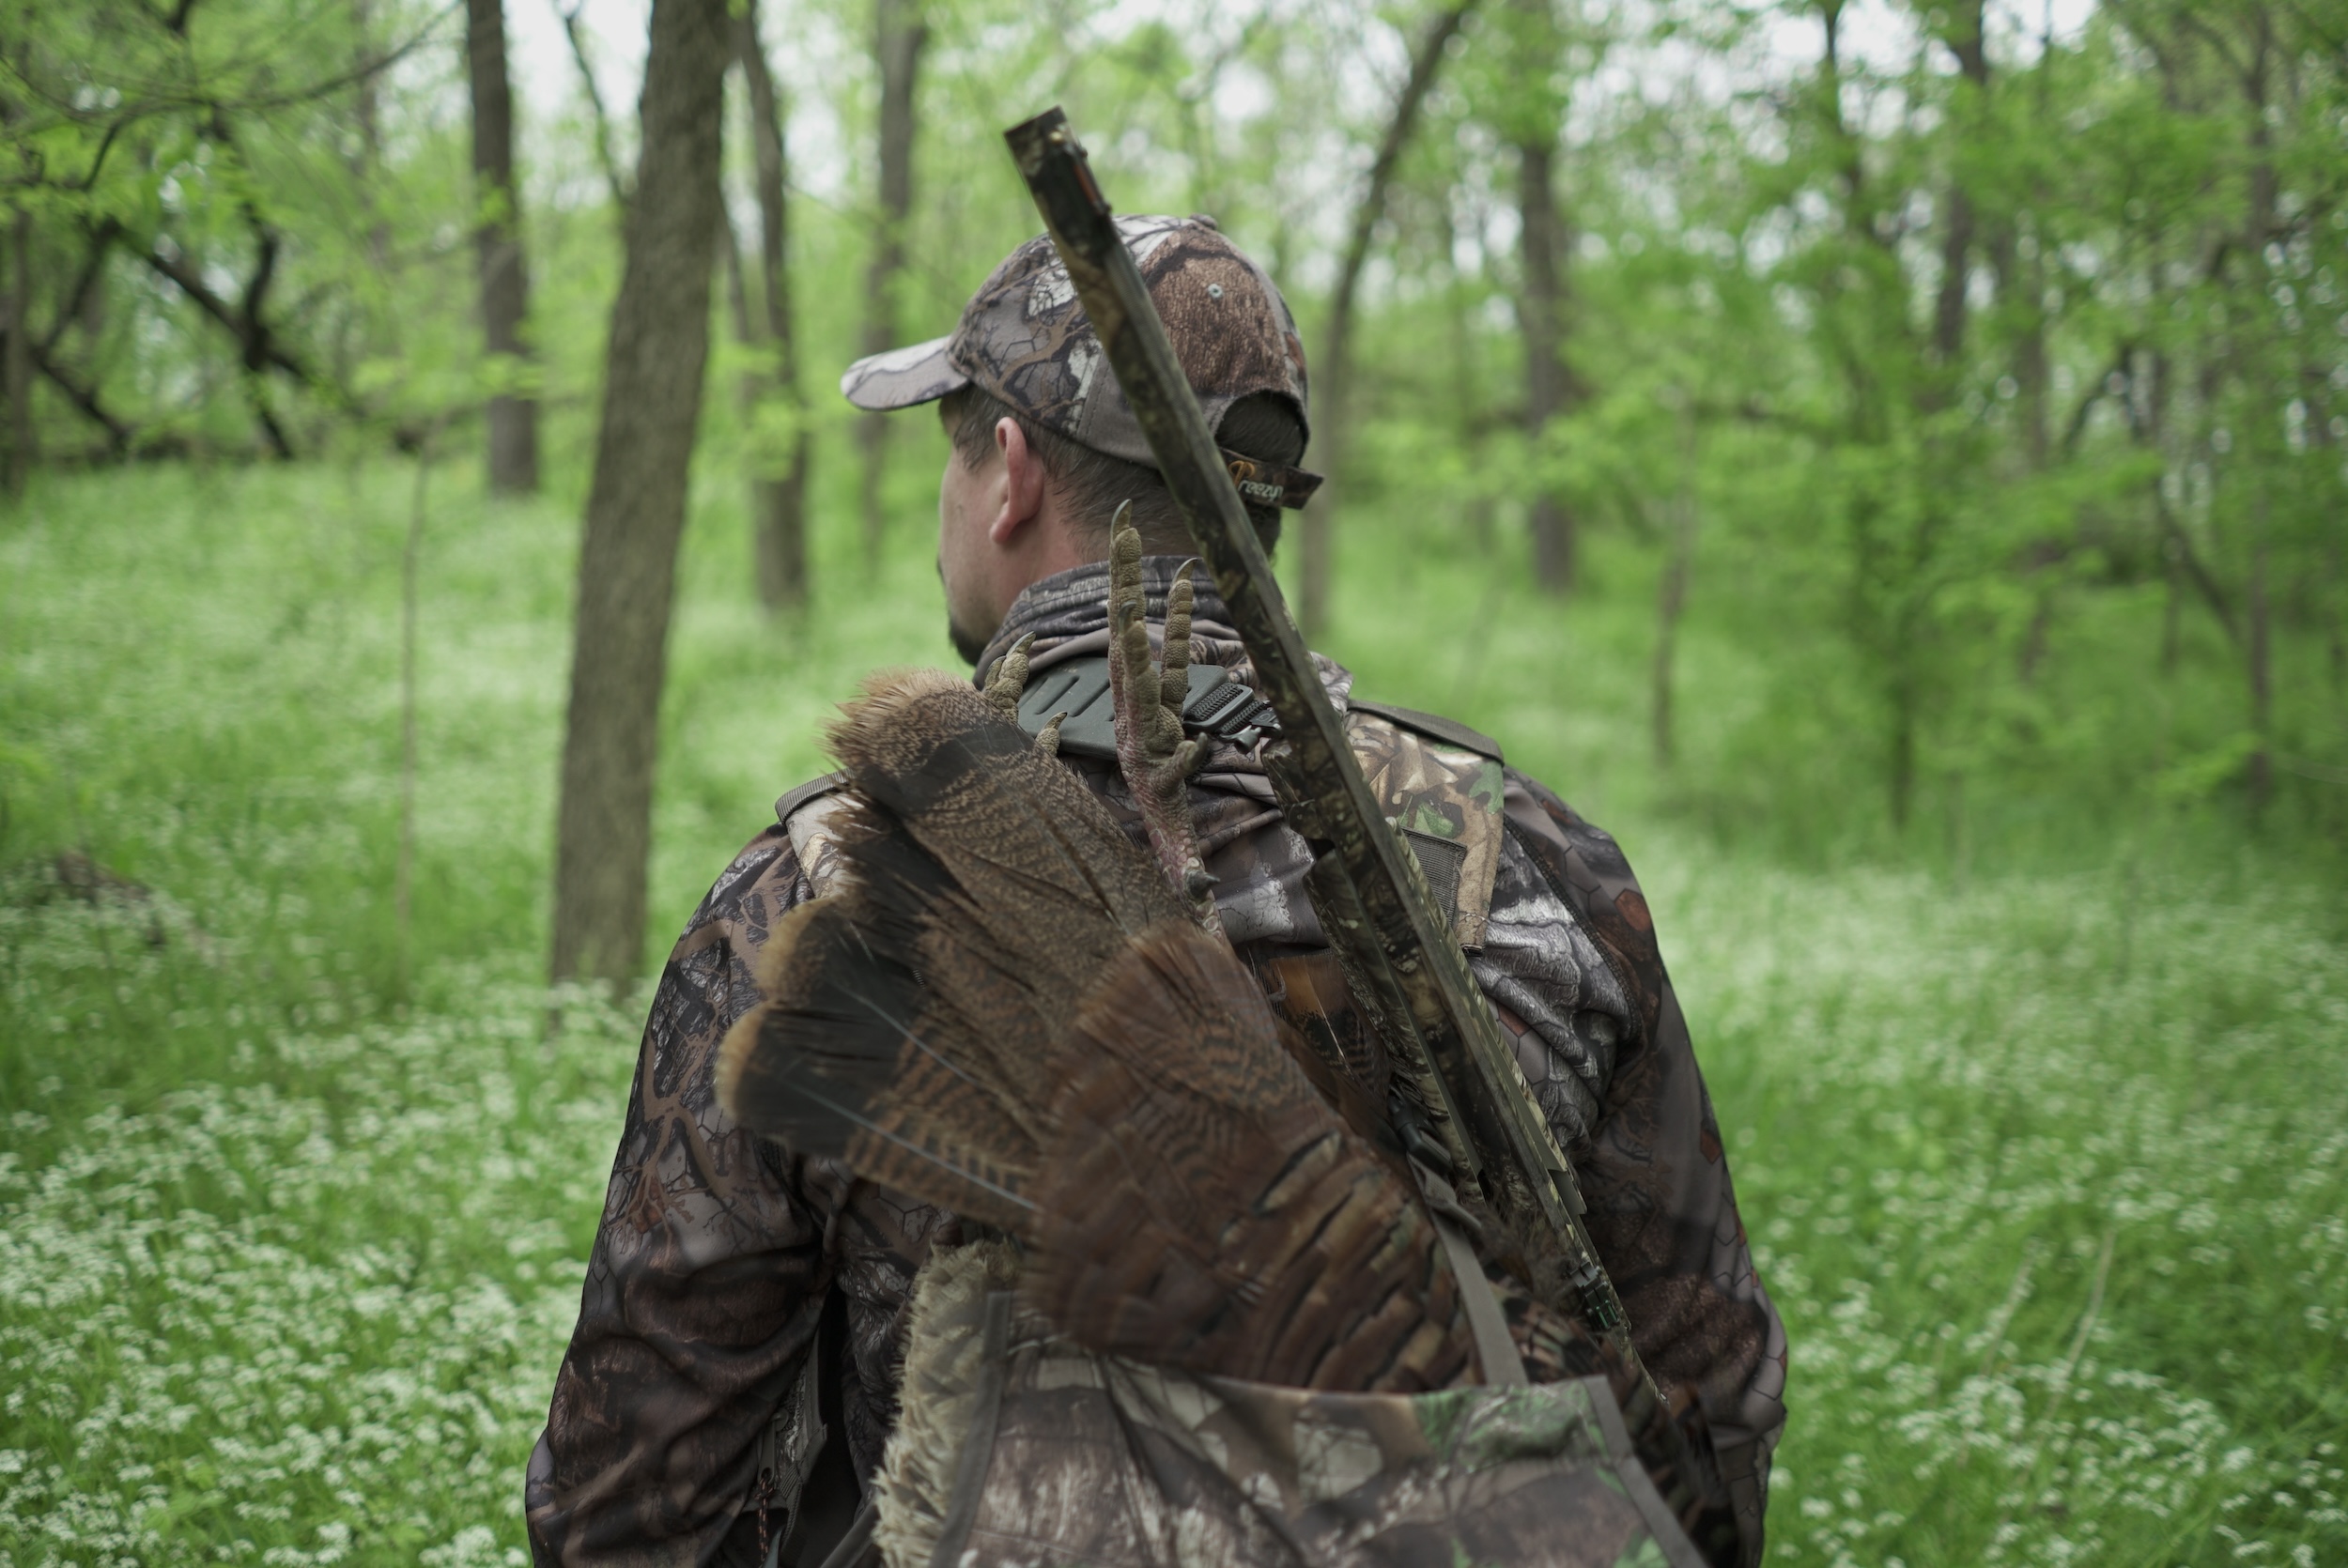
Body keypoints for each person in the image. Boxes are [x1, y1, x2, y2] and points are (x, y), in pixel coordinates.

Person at [524, 214, 1786, 1568]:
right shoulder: (1537, 863)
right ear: (1259, 504)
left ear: (1006, 473)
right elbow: (1706, 1419)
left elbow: (628, 1504)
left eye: (952, 442)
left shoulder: (823, 896)